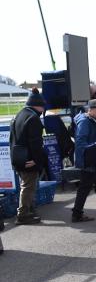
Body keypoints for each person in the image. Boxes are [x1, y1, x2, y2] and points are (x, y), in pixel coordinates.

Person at [9, 88, 48, 225]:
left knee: (25, 185)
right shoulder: (33, 119)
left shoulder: (18, 115)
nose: (43, 110)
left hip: (18, 157)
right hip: (28, 159)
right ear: (39, 106)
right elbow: (36, 143)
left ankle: (29, 210)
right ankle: (23, 214)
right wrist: (37, 160)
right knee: (28, 186)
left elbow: (12, 139)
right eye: (43, 107)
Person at [71, 99, 96, 222]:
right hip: (88, 159)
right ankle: (77, 214)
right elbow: (81, 142)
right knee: (85, 187)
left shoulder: (91, 120)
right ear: (89, 110)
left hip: (92, 157)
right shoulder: (85, 121)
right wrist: (95, 148)